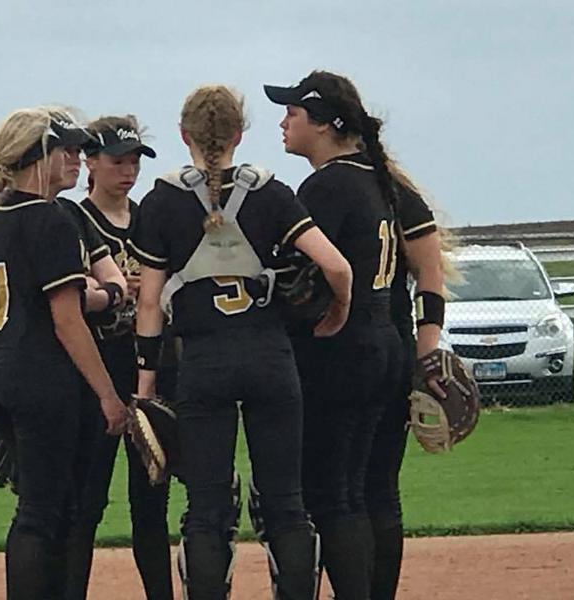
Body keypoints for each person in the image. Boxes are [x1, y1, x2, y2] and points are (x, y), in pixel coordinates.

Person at [130, 84, 353, 600]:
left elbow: (148, 305)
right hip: (270, 358)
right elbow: (337, 266)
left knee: (207, 510)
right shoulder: (271, 193)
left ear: (184, 136)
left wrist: (145, 390)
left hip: (203, 363)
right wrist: (337, 311)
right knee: (286, 506)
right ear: (239, 134)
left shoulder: (162, 201)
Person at [0, 105, 128, 600]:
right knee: (45, 514)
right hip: (41, 372)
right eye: (64, 149)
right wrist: (108, 395)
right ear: (37, 157)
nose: (76, 159)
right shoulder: (49, 219)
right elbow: (66, 319)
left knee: (47, 509)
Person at [264, 71, 403, 600]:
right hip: (382, 339)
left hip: (342, 348)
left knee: (331, 495)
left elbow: (295, 271)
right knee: (358, 491)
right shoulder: (372, 177)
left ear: (322, 125)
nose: (283, 122)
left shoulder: (328, 186)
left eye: (293, 113)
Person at [57, 115, 174, 600]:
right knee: (87, 502)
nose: (127, 172)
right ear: (89, 161)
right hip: (98, 371)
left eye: (133, 162)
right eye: (116, 161)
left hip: (148, 369)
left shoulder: (149, 218)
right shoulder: (73, 218)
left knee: (151, 500)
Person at [364, 160, 451, 600]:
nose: (284, 125)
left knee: (354, 492)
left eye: (295, 114)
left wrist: (428, 352)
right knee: (377, 490)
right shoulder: (391, 191)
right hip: (394, 349)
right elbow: (432, 272)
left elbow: (430, 269)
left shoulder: (375, 190)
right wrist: (427, 348)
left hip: (367, 354)